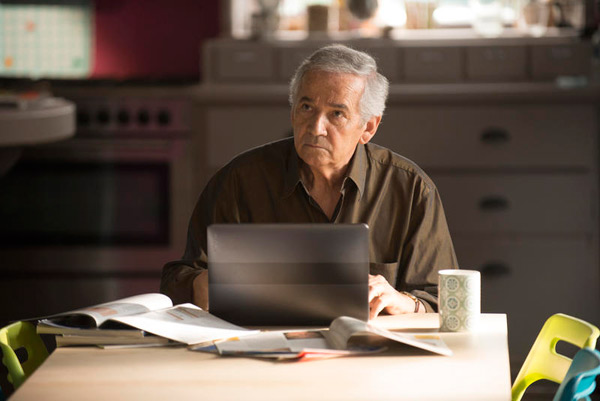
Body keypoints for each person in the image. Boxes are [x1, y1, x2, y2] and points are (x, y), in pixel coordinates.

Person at [161, 44, 458, 319]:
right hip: (262, 359)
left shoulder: (410, 189)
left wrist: (404, 301)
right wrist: (202, 284)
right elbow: (178, 279)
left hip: (371, 361)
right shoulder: (239, 181)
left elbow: (446, 301)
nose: (316, 127)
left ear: (368, 127)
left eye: (336, 114)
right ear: (292, 112)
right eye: (306, 108)